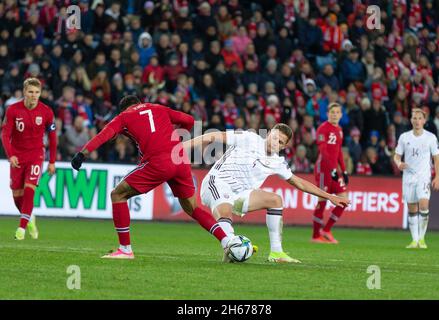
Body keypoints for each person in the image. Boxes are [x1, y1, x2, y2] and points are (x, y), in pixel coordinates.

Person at [71, 95, 235, 260]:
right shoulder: (157, 108)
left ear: (124, 108)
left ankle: (125, 249)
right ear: (139, 103)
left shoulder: (124, 117)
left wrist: (82, 154)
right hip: (179, 158)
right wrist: (177, 138)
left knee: (117, 194)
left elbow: (103, 136)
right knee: (193, 208)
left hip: (158, 162)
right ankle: (228, 241)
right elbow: (189, 120)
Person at [183, 123, 350, 263]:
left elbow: (299, 182)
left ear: (284, 146)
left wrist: (329, 196)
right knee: (226, 213)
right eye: (274, 136)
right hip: (218, 182)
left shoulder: (277, 162)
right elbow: (213, 136)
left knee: (276, 200)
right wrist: (183, 146)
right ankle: (231, 247)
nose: (275, 142)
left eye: (280, 141)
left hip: (241, 193)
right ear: (269, 133)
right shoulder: (249, 138)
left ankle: (276, 253)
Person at [1, 77, 57, 240]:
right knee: (17, 196)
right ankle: (29, 218)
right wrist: (10, 154)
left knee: (29, 189)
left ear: (40, 93)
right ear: (24, 92)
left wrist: (52, 161)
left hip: (36, 155)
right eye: (30, 92)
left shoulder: (46, 111)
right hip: (17, 157)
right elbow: (5, 134)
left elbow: (52, 138)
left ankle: (21, 229)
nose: (34, 95)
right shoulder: (12, 110)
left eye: (37, 92)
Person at [394, 108, 439, 249]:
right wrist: (399, 163)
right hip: (408, 177)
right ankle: (414, 240)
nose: (417, 121)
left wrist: (437, 177)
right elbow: (397, 155)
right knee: (412, 208)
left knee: (424, 205)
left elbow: (437, 159)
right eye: (414, 118)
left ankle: (422, 239)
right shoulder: (404, 137)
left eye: (420, 118)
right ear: (411, 120)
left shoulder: (431, 138)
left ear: (424, 121)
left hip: (424, 176)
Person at [312, 102, 350, 244]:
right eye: (332, 112)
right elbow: (323, 151)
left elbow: (339, 151)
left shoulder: (339, 129)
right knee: (322, 199)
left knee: (344, 200)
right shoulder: (323, 128)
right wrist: (332, 169)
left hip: (334, 170)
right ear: (327, 114)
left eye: (337, 112)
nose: (334, 114)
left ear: (341, 115)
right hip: (323, 169)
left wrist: (344, 170)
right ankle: (316, 236)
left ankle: (326, 230)